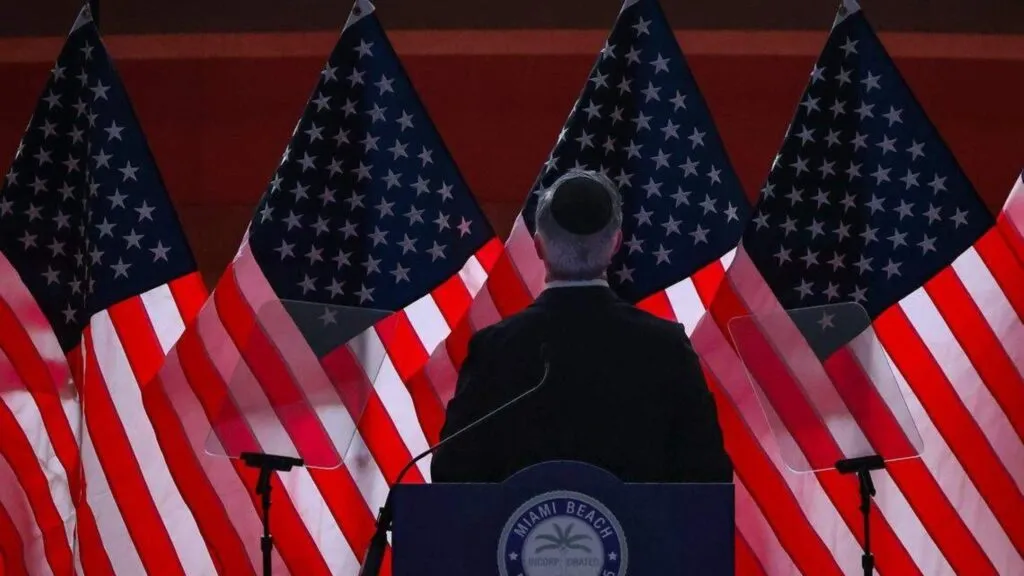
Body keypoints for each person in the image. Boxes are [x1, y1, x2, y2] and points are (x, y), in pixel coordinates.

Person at [430, 170, 733, 484]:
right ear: (616, 244)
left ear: (538, 247)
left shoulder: (494, 349)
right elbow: (708, 476)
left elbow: (451, 473)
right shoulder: (666, 347)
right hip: (642, 533)